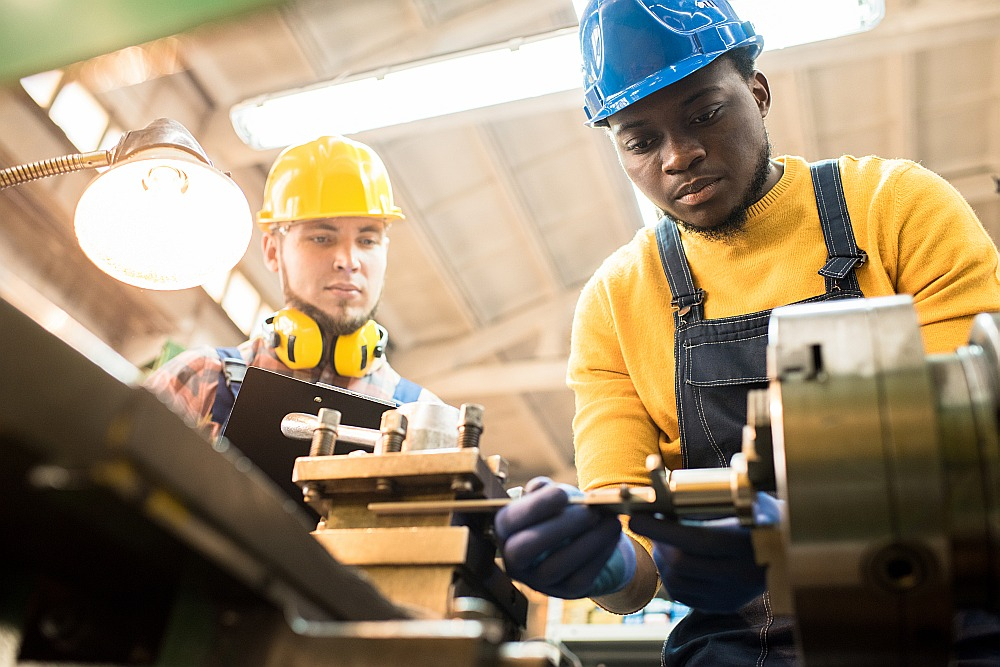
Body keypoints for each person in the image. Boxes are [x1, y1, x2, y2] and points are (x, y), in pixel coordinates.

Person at [494, 1, 1000, 665]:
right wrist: (597, 563)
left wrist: (810, 539)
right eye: (641, 141)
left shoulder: (897, 208)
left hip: (948, 621)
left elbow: (979, 463)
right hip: (743, 645)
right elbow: (634, 564)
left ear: (757, 93)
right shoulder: (615, 302)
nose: (681, 155)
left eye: (705, 112)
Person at [145, 134, 436, 443]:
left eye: (367, 240)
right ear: (272, 251)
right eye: (322, 238)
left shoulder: (425, 419)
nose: (349, 261)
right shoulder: (200, 381)